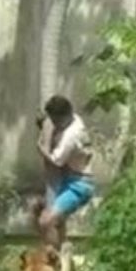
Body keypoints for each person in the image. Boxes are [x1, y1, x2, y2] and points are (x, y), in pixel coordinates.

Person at [35, 95, 94, 250]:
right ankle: (63, 253)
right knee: (56, 222)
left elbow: (56, 161)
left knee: (46, 221)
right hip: (70, 178)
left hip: (79, 186)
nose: (53, 125)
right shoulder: (75, 119)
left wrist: (41, 148)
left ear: (62, 117)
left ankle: (55, 258)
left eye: (54, 122)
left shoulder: (71, 136)